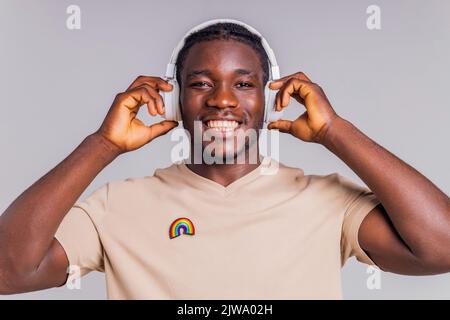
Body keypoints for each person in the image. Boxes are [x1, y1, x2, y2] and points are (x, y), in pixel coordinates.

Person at [0, 21, 449, 299]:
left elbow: (440, 247)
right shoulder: (115, 207)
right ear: (176, 99)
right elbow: (9, 271)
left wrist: (336, 132)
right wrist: (101, 145)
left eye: (243, 84)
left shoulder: (327, 201)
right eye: (200, 83)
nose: (221, 101)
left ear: (269, 96)